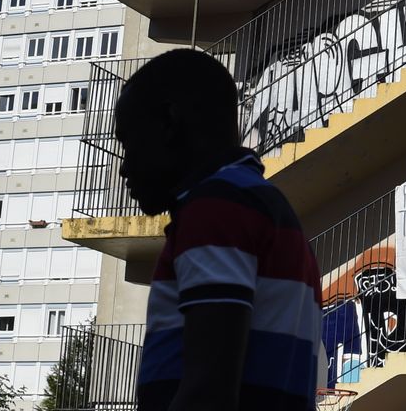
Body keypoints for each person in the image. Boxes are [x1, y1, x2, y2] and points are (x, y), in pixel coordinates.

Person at [114, 49, 323, 411]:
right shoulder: (260, 204)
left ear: (168, 122)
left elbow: (208, 391)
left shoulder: (215, 209)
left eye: (129, 143)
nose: (124, 168)